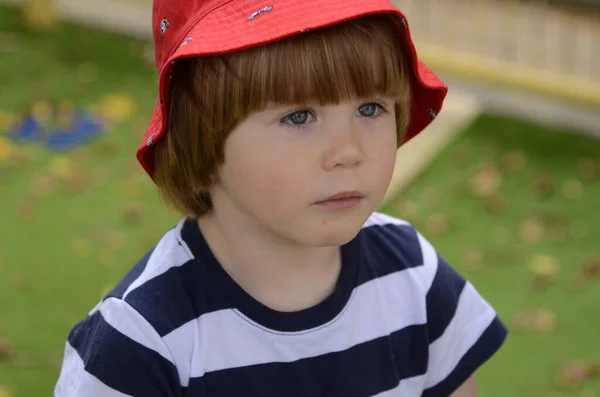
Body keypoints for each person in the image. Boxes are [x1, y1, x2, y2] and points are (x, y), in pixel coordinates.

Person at [54, 0, 508, 396]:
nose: (348, 152)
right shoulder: (141, 342)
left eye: (370, 108)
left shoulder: (414, 275)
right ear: (202, 143)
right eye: (298, 116)